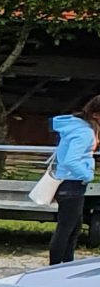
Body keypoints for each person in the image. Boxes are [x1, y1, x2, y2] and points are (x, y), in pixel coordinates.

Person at [48, 91, 99, 267]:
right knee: (66, 229)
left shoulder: (77, 128)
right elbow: (71, 160)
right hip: (72, 183)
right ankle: (56, 266)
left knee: (73, 228)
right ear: (96, 115)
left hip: (68, 182)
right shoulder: (84, 133)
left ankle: (66, 264)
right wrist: (87, 174)